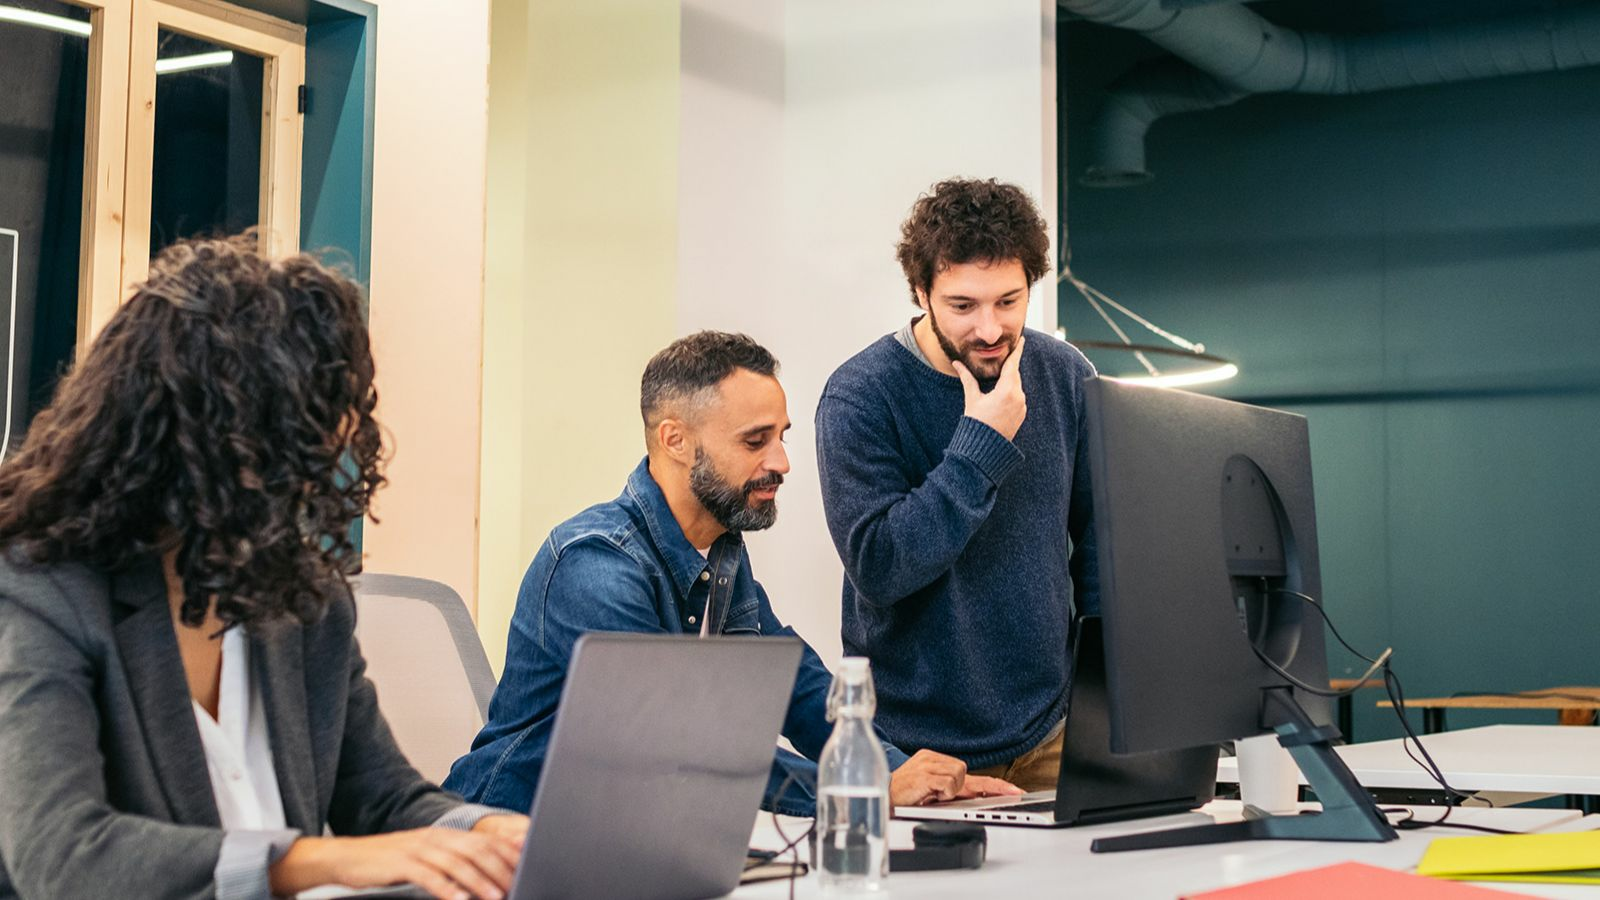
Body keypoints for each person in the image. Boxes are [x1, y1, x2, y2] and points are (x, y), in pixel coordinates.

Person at [0, 236, 525, 900]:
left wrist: (488, 833)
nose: (325, 462)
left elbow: (385, 800)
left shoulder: (304, 599)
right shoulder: (41, 594)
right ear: (210, 432)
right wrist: (315, 863)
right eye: (299, 438)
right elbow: (66, 857)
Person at [444, 331, 1019, 816]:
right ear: (675, 439)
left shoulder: (719, 551)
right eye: (755, 441)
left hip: (623, 838)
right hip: (506, 845)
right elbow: (680, 744)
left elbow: (793, 683)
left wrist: (895, 771)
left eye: (781, 436)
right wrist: (861, 789)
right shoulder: (595, 565)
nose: (782, 462)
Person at [814, 178, 1100, 792]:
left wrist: (1107, 701)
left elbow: (1101, 544)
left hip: (1054, 734)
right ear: (921, 293)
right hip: (919, 755)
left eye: (1009, 301)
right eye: (963, 306)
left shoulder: (1065, 375)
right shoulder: (860, 396)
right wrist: (981, 444)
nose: (991, 329)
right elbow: (881, 566)